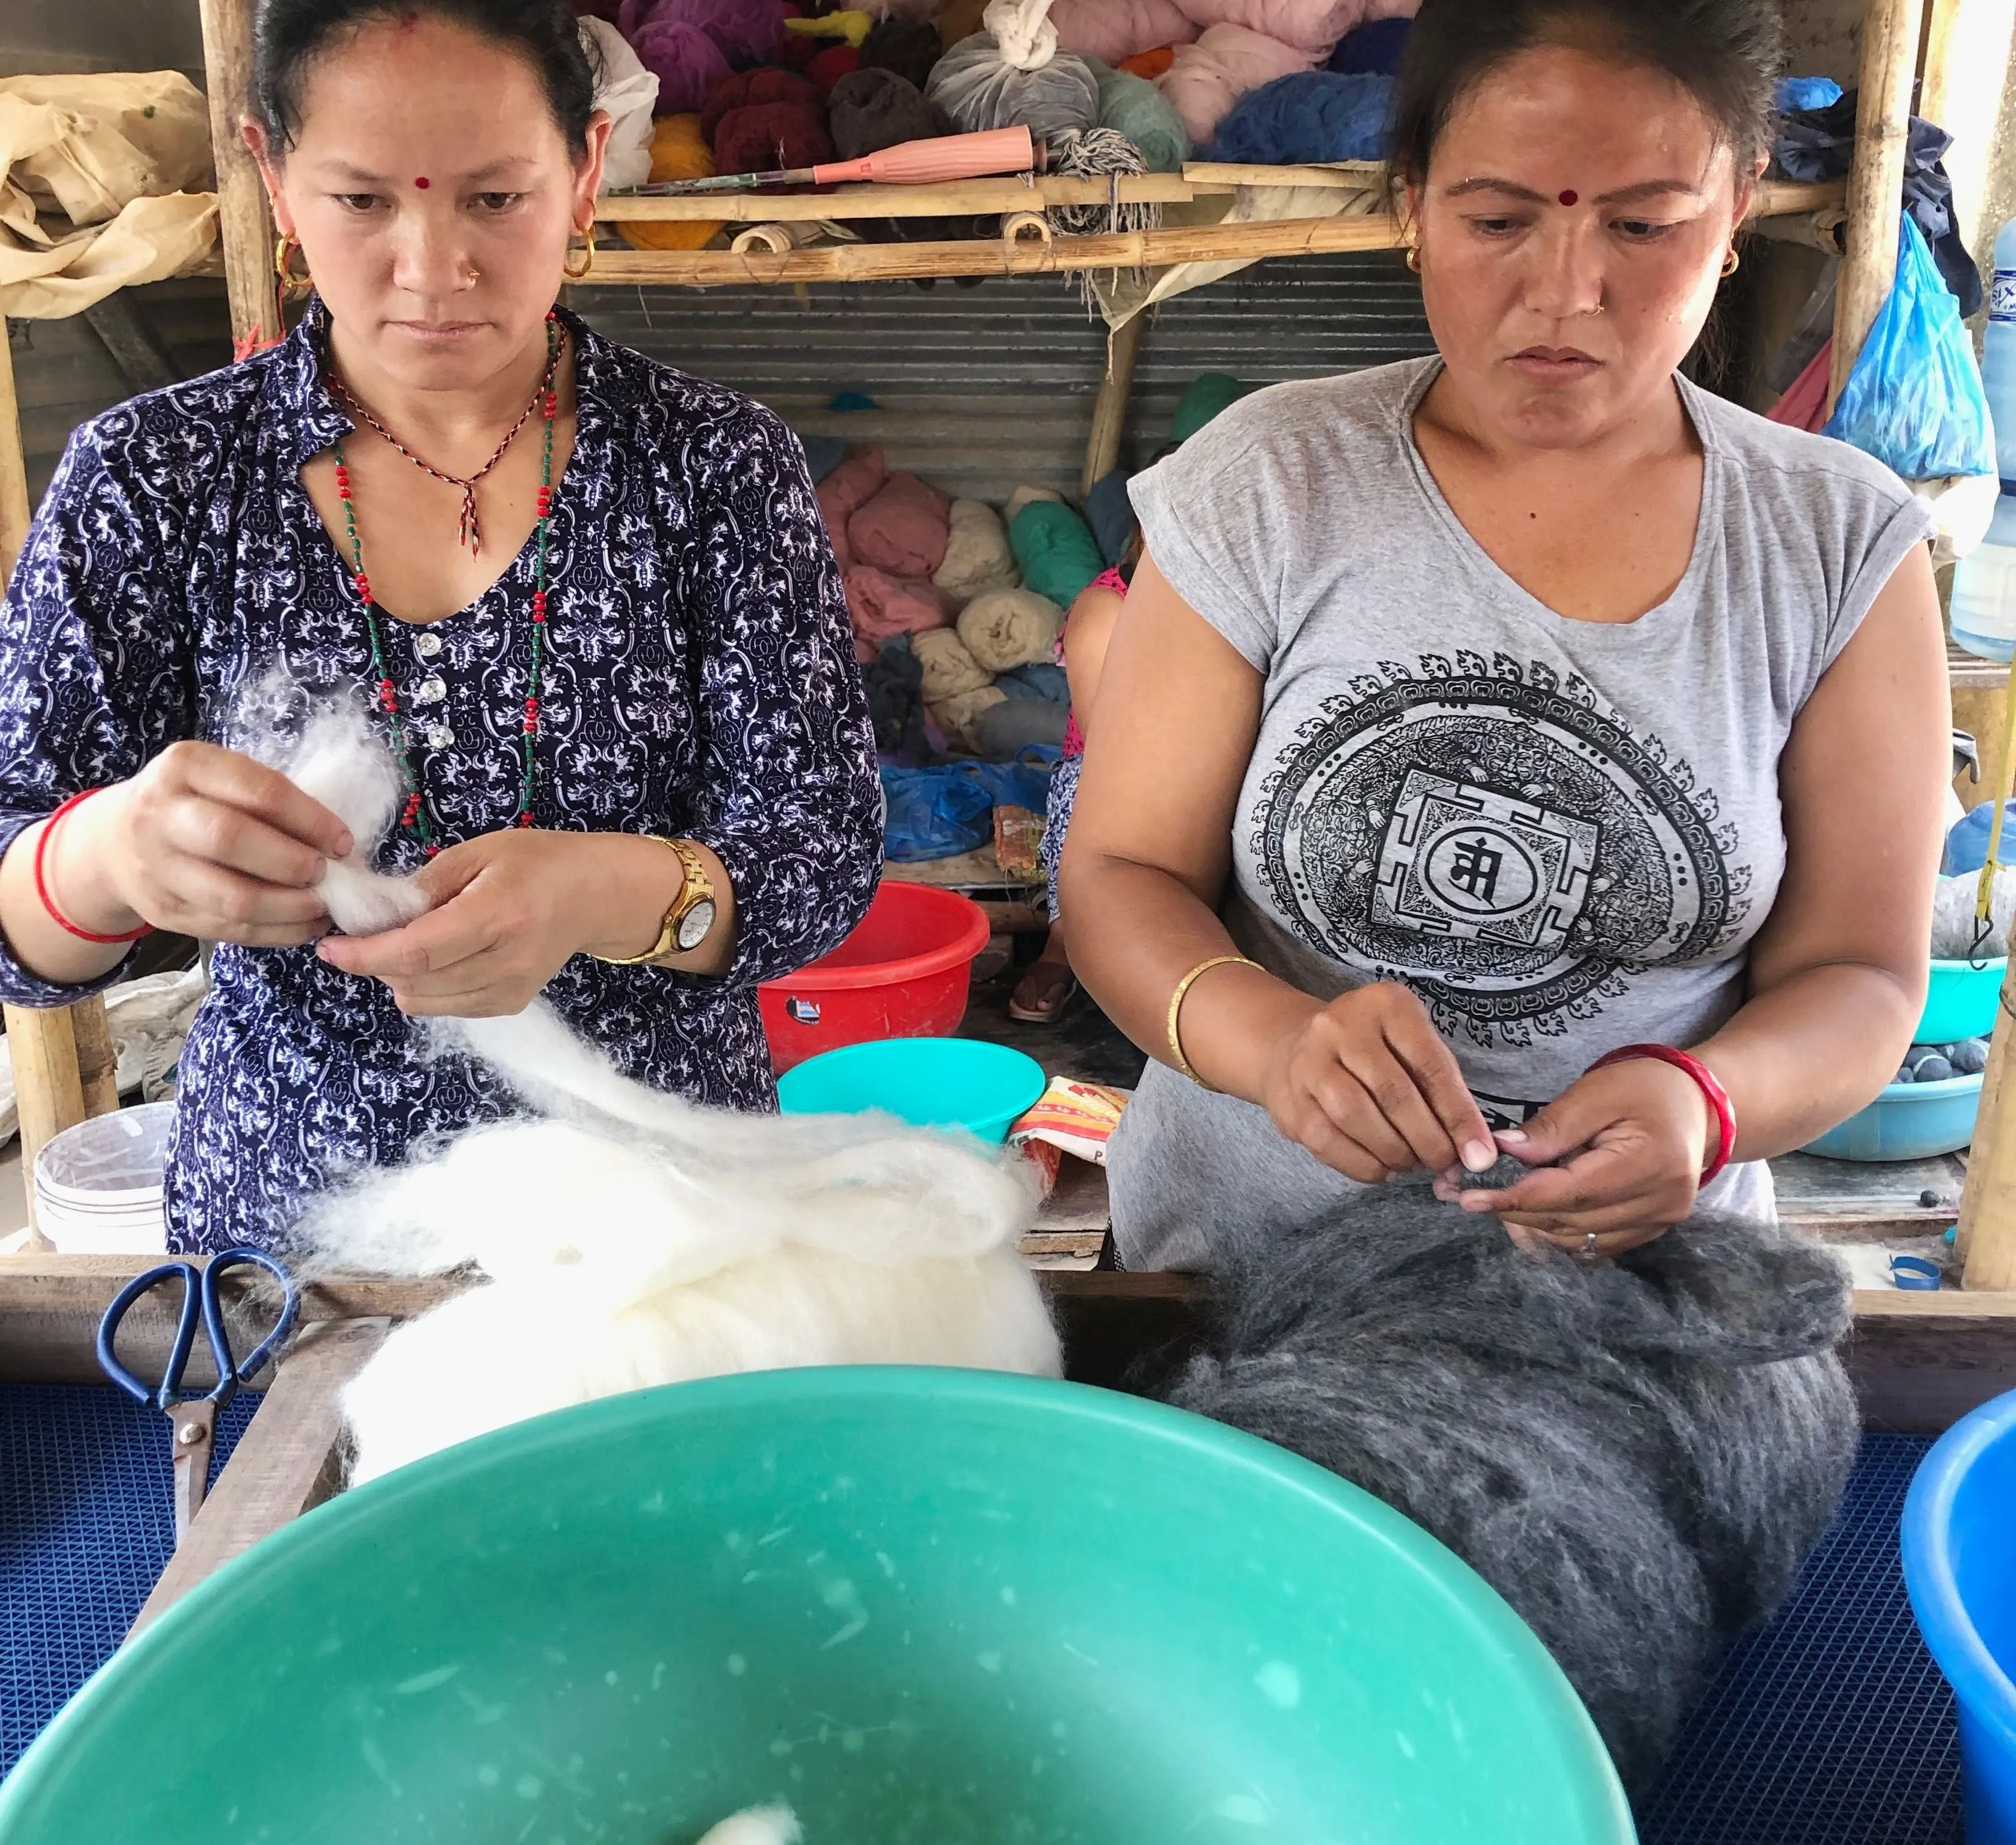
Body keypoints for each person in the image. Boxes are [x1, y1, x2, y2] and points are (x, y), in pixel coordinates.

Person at [1061, 0, 1950, 1272]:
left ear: (1740, 203)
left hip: (1638, 1303)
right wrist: (1272, 1043)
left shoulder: (1832, 541)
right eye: (1495, 220)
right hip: (1238, 1283)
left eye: (1643, 224)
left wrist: (1705, 1105)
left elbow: (1859, 970)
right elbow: (1118, 874)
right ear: (1409, 202)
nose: (1564, 291)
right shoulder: (1263, 484)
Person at [0, 0, 879, 1253]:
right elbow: (15, 913)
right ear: (275, 179)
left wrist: (603, 892)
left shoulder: (715, 467)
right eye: (363, 201)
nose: (431, 268)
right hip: (296, 1251)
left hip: (660, 1244)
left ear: (582, 171)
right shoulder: (154, 479)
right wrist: (107, 856)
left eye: (493, 198)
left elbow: (820, 855)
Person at [1009, 557, 1132, 1025]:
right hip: (1111, 765)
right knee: (1087, 793)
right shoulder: (1107, 607)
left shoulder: (1227, 596)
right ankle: (1063, 941)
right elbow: (1107, 741)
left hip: (1208, 754)